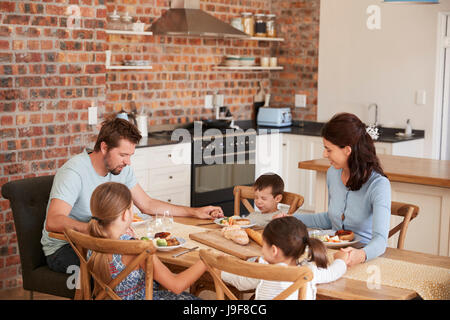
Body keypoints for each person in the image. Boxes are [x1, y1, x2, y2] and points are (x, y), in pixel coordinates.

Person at [41, 118, 223, 273]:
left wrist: (194, 212)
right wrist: (94, 230)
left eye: (130, 155)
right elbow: (54, 221)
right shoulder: (74, 172)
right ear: (104, 147)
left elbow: (147, 204)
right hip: (65, 247)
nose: (127, 161)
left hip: (103, 241)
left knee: (151, 267)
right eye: (123, 154)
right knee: (132, 271)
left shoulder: (121, 168)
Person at [275, 113, 391, 267]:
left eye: (329, 150)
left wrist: (360, 255)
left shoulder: (378, 185)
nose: (324, 154)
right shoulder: (333, 173)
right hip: (331, 254)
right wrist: (291, 219)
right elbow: (330, 219)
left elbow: (380, 240)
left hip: (363, 259)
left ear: (347, 150)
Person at [87, 182, 206, 300]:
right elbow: (176, 285)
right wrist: (206, 260)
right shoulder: (137, 248)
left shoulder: (91, 241)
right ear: (125, 215)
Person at [221, 216, 348, 300]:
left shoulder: (263, 270)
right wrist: (341, 259)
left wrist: (219, 269)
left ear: (274, 250)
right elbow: (334, 272)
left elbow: (241, 282)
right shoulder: (308, 272)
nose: (262, 250)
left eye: (264, 245)